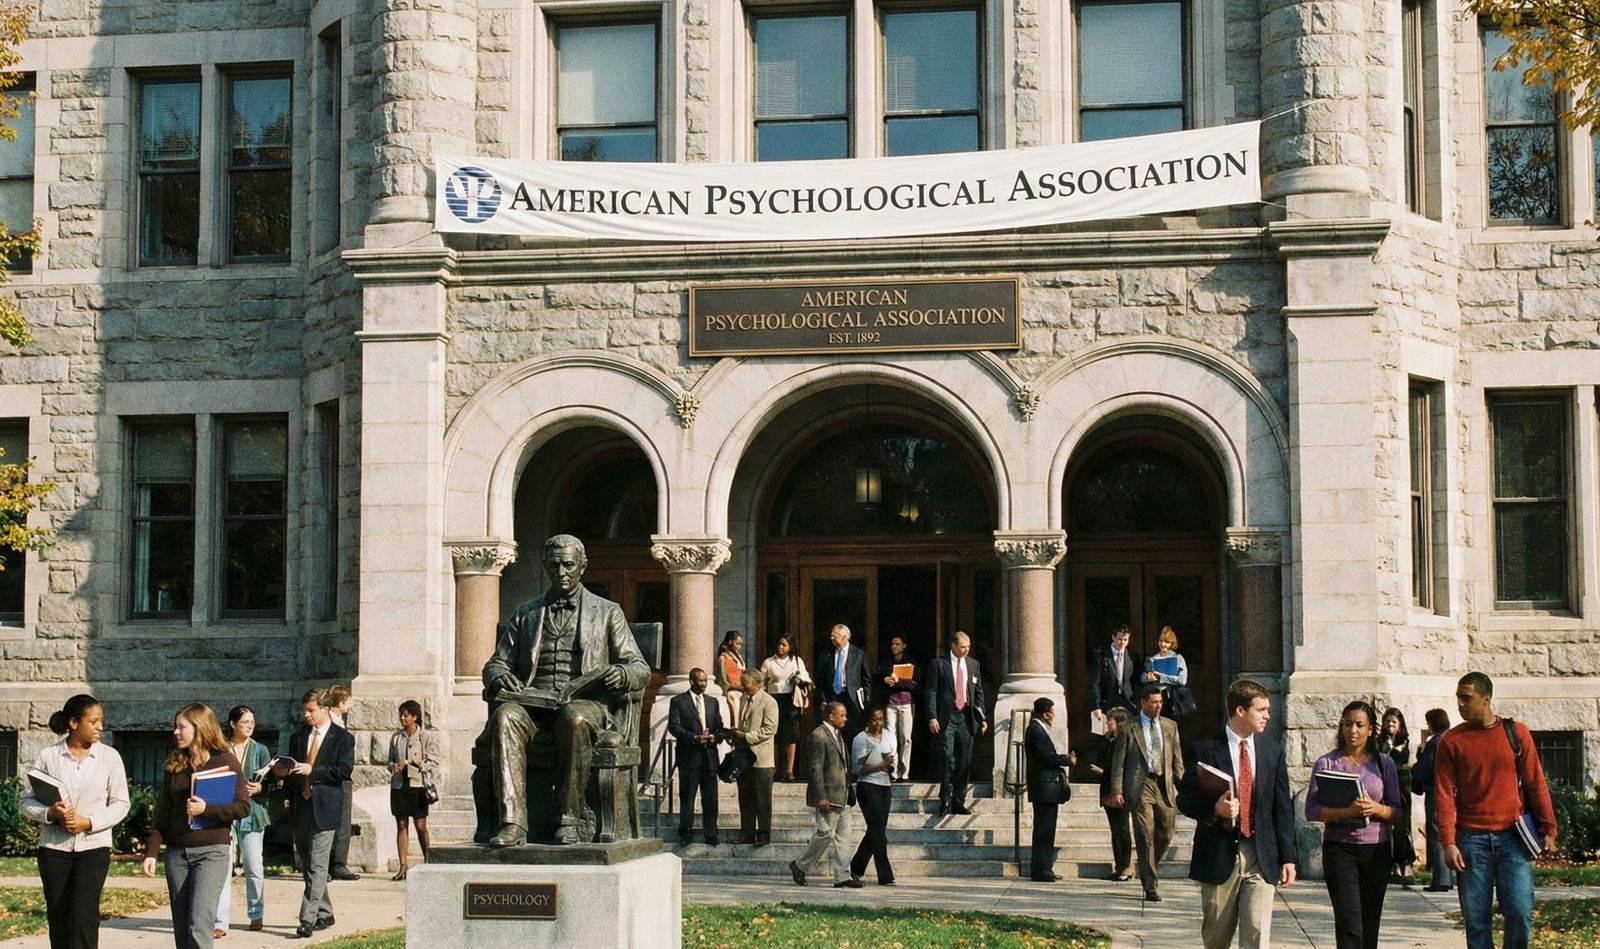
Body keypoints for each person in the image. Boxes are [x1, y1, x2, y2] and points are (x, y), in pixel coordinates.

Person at [481, 534, 651, 846]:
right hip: (535, 705)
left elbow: (640, 668)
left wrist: (621, 673)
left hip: (586, 704)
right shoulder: (526, 614)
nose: (561, 571)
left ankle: (568, 819)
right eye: (554, 565)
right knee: (504, 717)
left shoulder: (607, 612)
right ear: (546, 566)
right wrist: (497, 677)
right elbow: (495, 663)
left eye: (568, 564)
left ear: (582, 566)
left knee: (573, 718)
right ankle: (513, 822)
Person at [1436, 671, 1557, 949]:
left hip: (1512, 839)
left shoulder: (1516, 733)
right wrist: (1449, 842)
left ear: (1486, 698)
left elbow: (1536, 783)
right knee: (1477, 921)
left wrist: (1548, 828)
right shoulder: (1452, 741)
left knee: (1520, 911)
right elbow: (1444, 796)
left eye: (1467, 698)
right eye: (1458, 698)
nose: (1461, 704)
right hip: (1470, 842)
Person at [1177, 679, 1298, 949]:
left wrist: (1288, 857)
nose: (1268, 715)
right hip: (1219, 854)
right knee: (1217, 938)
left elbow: (1282, 808)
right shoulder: (1205, 749)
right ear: (1240, 711)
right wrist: (1214, 809)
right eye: (1262, 709)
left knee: (1256, 935)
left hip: (1260, 854)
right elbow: (1185, 800)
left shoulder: (1272, 751)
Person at [21, 694, 130, 949]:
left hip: (93, 848)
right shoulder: (48, 756)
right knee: (59, 916)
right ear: (73, 723)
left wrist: (89, 822)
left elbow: (121, 803)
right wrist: (50, 813)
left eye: (101, 721)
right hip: (53, 850)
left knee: (84, 915)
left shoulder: (110, 757)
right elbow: (26, 802)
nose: (100, 727)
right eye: (93, 722)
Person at [141, 704, 251, 949]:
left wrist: (207, 810)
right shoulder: (175, 765)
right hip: (177, 854)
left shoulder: (225, 761)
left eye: (182, 727)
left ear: (200, 728)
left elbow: (243, 806)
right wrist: (151, 852)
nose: (176, 733)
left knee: (199, 923)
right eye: (175, 727)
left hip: (212, 852)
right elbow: (161, 815)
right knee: (182, 928)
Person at [1304, 700, 1403, 949]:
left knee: (1370, 920)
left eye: (1360, 725)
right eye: (1348, 724)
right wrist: (1345, 811)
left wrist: (1377, 809)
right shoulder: (1326, 763)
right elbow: (1311, 810)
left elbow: (1397, 812)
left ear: (1371, 730)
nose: (1353, 730)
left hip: (1376, 851)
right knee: (1348, 921)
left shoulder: (1384, 764)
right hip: (1340, 849)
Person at [273, 687, 355, 939]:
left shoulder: (343, 738)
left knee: (319, 865)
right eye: (304, 710)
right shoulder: (299, 736)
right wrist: (286, 795)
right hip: (301, 806)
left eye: (311, 710)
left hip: (326, 807)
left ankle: (307, 919)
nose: (306, 714)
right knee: (308, 865)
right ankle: (325, 912)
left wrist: (314, 770)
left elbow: (343, 771)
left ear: (325, 709)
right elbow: (291, 771)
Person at [1107, 682, 1184, 901]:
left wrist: (1185, 785)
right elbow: (1118, 762)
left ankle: (1147, 865)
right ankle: (1151, 885)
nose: (1159, 706)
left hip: (1164, 785)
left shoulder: (1170, 726)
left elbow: (1176, 759)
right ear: (1142, 703)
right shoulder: (1128, 728)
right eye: (1154, 702)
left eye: (1161, 702)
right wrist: (1116, 790)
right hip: (1140, 786)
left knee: (1166, 832)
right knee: (1144, 834)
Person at [213, 706, 271, 935]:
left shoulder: (260, 750)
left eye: (252, 722)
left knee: (254, 866)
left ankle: (256, 913)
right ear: (233, 724)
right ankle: (220, 921)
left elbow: (272, 783)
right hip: (226, 814)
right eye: (245, 722)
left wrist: (260, 787)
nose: (250, 725)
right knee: (223, 869)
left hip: (252, 815)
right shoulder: (220, 749)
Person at [789, 702, 858, 888]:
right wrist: (820, 796)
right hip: (828, 796)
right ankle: (800, 865)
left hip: (843, 795)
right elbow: (815, 768)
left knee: (844, 836)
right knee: (825, 834)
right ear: (831, 716)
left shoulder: (838, 735)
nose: (845, 719)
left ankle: (843, 876)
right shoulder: (818, 736)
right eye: (842, 715)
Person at [924, 631, 987, 816]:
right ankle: (945, 799)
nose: (966, 650)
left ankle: (959, 801)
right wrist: (932, 717)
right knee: (946, 757)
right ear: (953, 646)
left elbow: (978, 693)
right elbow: (931, 692)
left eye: (968, 647)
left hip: (966, 718)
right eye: (963, 647)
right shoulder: (938, 664)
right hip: (947, 717)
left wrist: (981, 717)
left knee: (964, 760)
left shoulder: (973, 665)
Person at [667, 667, 723, 846]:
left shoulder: (713, 702)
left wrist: (715, 737)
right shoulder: (678, 701)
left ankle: (711, 833)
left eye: (706, 681)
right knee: (687, 797)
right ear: (692, 681)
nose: (705, 684)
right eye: (701, 681)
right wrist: (694, 738)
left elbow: (719, 726)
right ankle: (686, 832)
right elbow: (674, 726)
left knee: (711, 798)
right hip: (689, 757)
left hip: (709, 757)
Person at [1025, 697, 1074, 883]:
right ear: (1045, 713)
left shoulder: (1038, 728)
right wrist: (1067, 759)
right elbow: (1046, 758)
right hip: (1044, 787)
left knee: (1046, 830)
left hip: (1046, 787)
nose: (1053, 716)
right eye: (1052, 712)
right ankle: (1041, 869)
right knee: (1044, 830)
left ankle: (1045, 867)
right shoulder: (1036, 730)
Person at [387, 700, 435, 881]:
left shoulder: (425, 736)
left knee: (421, 826)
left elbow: (434, 761)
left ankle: (429, 860)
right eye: (401, 715)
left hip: (418, 785)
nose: (402, 718)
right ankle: (403, 865)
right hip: (399, 785)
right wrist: (394, 767)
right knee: (401, 825)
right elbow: (389, 761)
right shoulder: (396, 737)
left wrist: (418, 763)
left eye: (406, 715)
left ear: (415, 717)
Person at [730, 670, 779, 846]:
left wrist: (746, 736)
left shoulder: (769, 702)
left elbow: (770, 728)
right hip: (744, 758)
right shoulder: (743, 699)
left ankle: (764, 834)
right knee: (745, 797)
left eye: (746, 683)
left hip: (762, 759)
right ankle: (747, 833)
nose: (743, 687)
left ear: (756, 683)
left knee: (762, 800)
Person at [849, 707, 897, 886]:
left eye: (881, 719)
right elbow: (857, 768)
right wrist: (880, 764)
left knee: (876, 830)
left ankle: (855, 868)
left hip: (885, 785)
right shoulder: (860, 739)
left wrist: (889, 766)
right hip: (868, 786)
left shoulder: (889, 735)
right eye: (875, 719)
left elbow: (892, 758)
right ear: (868, 721)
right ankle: (885, 875)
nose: (878, 723)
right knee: (877, 830)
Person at [1410, 707, 1454, 892]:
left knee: (1436, 833)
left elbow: (1423, 769)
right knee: (1449, 833)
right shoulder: (1452, 740)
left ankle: (1441, 879)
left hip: (1435, 791)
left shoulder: (1434, 743)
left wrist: (1416, 762)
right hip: (1452, 792)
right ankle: (1450, 876)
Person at [760, 635, 811, 782]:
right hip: (773, 699)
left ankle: (789, 770)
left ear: (790, 647)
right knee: (774, 735)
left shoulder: (796, 661)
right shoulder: (769, 662)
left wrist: (800, 679)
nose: (780, 647)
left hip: (790, 700)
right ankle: (775, 769)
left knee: (790, 736)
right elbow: (762, 682)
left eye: (784, 645)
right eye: (779, 644)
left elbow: (806, 677)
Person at [320, 686, 359, 881]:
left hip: (340, 776)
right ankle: (332, 864)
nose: (350, 705)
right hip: (332, 777)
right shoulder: (329, 724)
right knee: (334, 824)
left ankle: (338, 863)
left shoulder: (340, 722)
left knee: (343, 824)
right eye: (348, 701)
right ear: (341, 703)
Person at [1092, 706, 1134, 882]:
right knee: (1115, 830)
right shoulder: (1109, 740)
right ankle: (1119, 866)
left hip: (1120, 791)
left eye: (1111, 719)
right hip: (1107, 790)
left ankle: (1127, 866)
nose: (1107, 722)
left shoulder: (1125, 741)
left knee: (1122, 829)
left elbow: (1123, 767)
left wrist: (1103, 772)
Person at [1376, 706, 1415, 881]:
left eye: (1394, 722)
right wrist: (1388, 746)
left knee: (1403, 826)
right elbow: (1378, 760)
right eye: (1388, 721)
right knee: (1387, 826)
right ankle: (1390, 865)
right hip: (1386, 787)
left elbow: (1411, 765)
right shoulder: (1380, 742)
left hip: (1403, 789)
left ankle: (1404, 863)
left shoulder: (1406, 742)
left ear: (1400, 724)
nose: (1390, 724)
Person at [817, 624, 870, 737]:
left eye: (835, 636)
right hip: (833, 696)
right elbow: (820, 680)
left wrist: (866, 700)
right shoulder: (827, 654)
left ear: (845, 637)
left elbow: (866, 679)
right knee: (833, 731)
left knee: (853, 730)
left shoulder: (858, 654)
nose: (832, 638)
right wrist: (823, 700)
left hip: (852, 697)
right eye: (831, 636)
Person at [877, 636, 917, 781]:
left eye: (898, 644)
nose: (894, 647)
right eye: (892, 644)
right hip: (890, 703)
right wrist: (885, 680)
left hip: (906, 704)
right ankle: (892, 771)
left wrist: (899, 681)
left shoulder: (911, 662)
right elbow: (878, 681)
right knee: (891, 737)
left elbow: (914, 684)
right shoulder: (885, 662)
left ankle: (904, 772)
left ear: (904, 645)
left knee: (906, 738)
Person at [1090, 625, 1141, 725]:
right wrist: (1096, 706)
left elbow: (1136, 681)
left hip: (1128, 702)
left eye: (1125, 639)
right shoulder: (1101, 656)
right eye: (1120, 639)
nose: (1122, 643)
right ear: (1113, 637)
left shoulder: (1132, 657)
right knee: (1109, 733)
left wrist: (1137, 702)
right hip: (1108, 701)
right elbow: (1095, 683)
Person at [1143, 626, 1192, 717]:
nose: (1163, 644)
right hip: (1155, 696)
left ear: (1172, 643)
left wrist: (1160, 677)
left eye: (1166, 642)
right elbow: (1143, 677)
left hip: (1172, 697)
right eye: (1161, 641)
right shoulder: (1151, 658)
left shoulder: (1178, 658)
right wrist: (1147, 677)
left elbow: (1182, 680)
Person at [715, 630, 747, 725]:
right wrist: (733, 686)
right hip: (731, 691)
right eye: (737, 644)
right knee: (735, 711)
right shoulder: (723, 658)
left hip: (741, 689)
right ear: (730, 642)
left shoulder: (738, 657)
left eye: (741, 644)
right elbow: (723, 680)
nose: (739, 647)